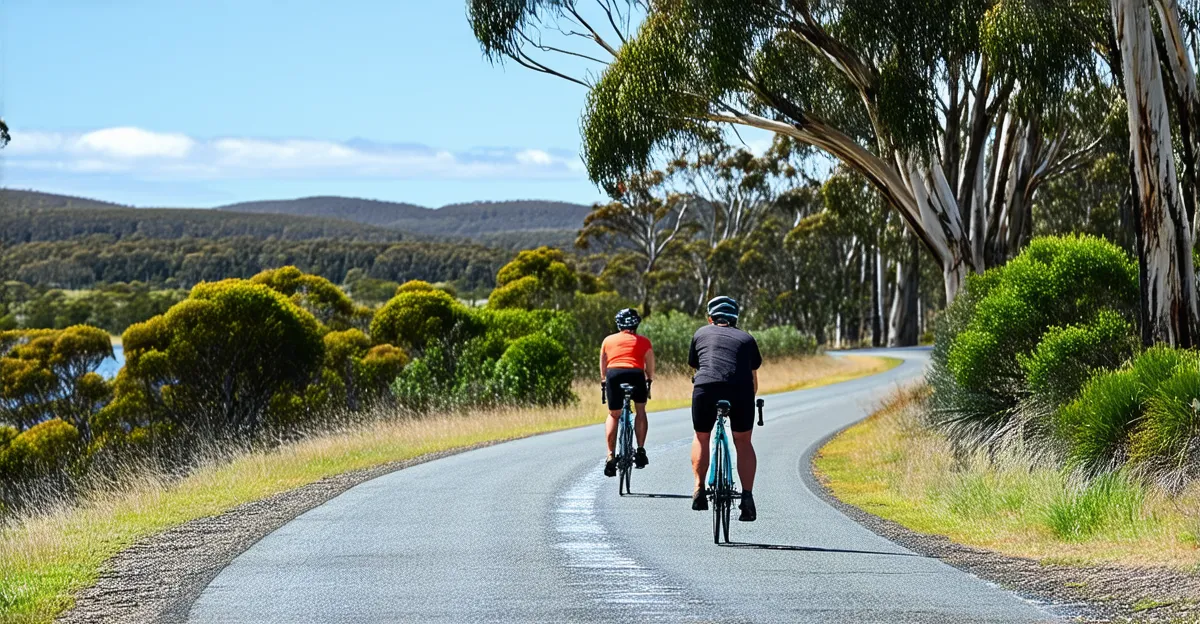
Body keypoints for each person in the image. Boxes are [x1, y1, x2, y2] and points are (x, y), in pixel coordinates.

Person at [688, 295, 762, 521]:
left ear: (710, 318)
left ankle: (699, 489)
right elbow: (753, 377)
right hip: (740, 390)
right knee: (743, 441)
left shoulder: (700, 333)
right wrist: (748, 399)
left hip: (705, 388)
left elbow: (696, 365)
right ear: (735, 318)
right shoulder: (747, 339)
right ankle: (747, 497)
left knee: (702, 436)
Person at [600, 308, 655, 477]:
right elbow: (649, 366)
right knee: (640, 410)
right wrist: (649, 379)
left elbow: (603, 364)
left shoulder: (608, 340)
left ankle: (610, 455)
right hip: (635, 374)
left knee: (613, 414)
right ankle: (639, 450)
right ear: (636, 324)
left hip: (614, 374)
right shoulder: (644, 341)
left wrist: (604, 380)